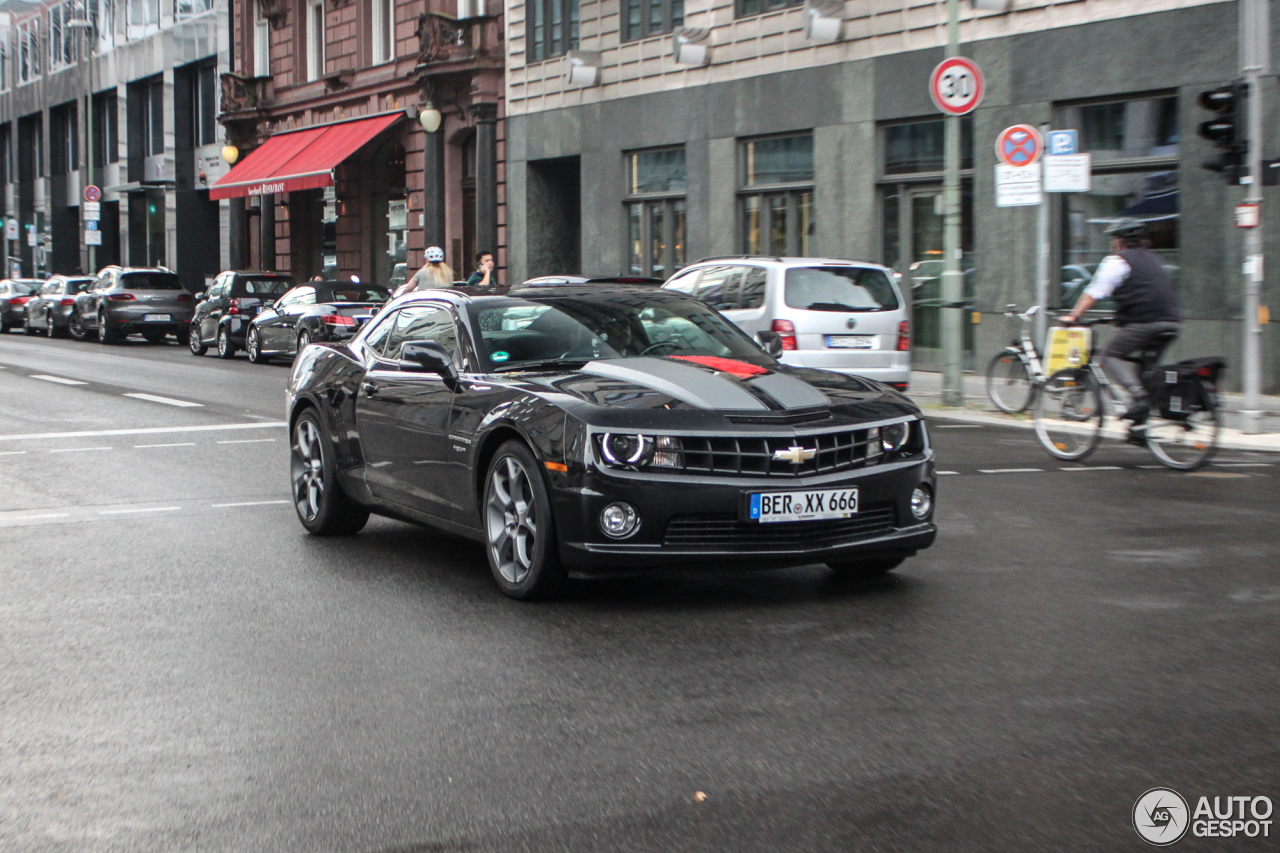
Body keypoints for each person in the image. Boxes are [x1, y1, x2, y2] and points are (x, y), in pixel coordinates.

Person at [1063, 217, 1181, 431]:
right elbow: (1146, 291)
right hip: (1171, 321)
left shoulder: (1117, 260)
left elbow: (1095, 292)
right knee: (1145, 369)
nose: (1112, 244)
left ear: (1119, 241)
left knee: (1110, 355)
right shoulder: (1153, 258)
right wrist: (1121, 317)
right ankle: (1140, 428)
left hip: (1146, 321)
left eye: (1113, 240)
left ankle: (1139, 398)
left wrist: (1074, 315)